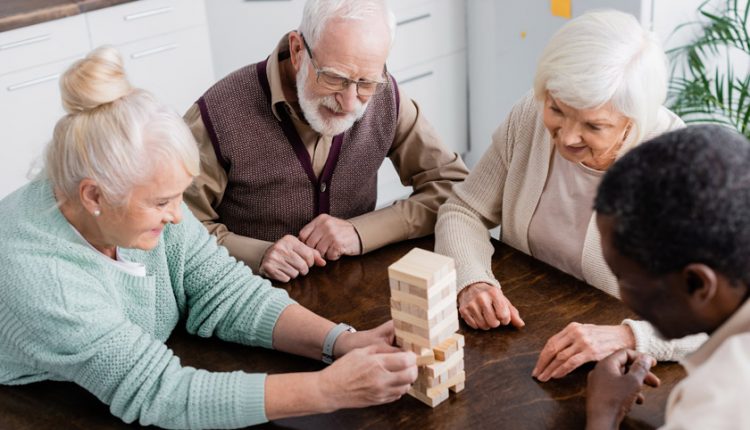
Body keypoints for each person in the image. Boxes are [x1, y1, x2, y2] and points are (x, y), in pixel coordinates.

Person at [0, 47, 417, 429]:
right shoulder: (42, 276)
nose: (178, 216)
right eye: (162, 202)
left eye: (179, 195)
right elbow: (161, 393)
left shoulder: (133, 205)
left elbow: (225, 291)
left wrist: (340, 341)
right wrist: (328, 390)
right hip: (38, 403)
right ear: (94, 195)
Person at [435, 9, 706, 381]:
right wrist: (472, 279)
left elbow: (725, 315)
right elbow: (463, 210)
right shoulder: (529, 115)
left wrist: (628, 336)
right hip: (520, 343)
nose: (566, 137)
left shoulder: (677, 166)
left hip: (619, 375)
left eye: (594, 125)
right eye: (557, 109)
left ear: (634, 121)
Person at [183, 0, 469, 283]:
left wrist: (360, 232)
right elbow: (176, 230)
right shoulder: (217, 115)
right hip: (249, 296)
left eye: (366, 83)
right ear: (297, 50)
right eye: (334, 78)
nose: (348, 102)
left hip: (358, 291)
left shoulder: (386, 96)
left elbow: (456, 188)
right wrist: (258, 254)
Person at [585, 125, 750, 429]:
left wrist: (602, 413)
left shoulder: (721, 400)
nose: (621, 296)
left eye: (623, 278)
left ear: (697, 284)